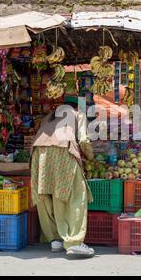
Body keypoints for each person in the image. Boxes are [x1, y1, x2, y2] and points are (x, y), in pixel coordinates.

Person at [31, 95, 95, 257]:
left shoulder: (49, 116)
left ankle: (55, 240)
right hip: (62, 151)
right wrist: (91, 157)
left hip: (39, 154)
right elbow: (84, 140)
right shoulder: (78, 114)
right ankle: (74, 242)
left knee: (45, 195)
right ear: (78, 106)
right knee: (74, 195)